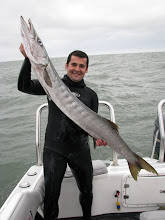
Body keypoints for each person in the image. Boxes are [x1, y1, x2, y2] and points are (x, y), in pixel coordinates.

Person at [18, 44, 107, 220]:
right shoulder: (51, 84)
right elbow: (24, 86)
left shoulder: (91, 95)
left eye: (81, 66)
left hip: (80, 150)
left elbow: (91, 124)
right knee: (51, 198)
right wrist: (28, 58)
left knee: (87, 193)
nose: (77, 69)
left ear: (86, 69)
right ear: (66, 66)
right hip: (54, 150)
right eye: (73, 64)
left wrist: (97, 138)